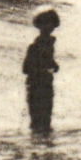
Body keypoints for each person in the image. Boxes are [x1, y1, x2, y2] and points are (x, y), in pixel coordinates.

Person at [23, 7, 61, 135]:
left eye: (52, 26)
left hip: (42, 84)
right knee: (41, 119)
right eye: (48, 25)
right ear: (41, 26)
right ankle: (41, 147)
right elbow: (26, 68)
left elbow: (28, 67)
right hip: (38, 85)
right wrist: (47, 67)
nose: (50, 28)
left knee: (41, 119)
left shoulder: (47, 44)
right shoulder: (36, 46)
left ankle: (40, 147)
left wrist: (53, 65)